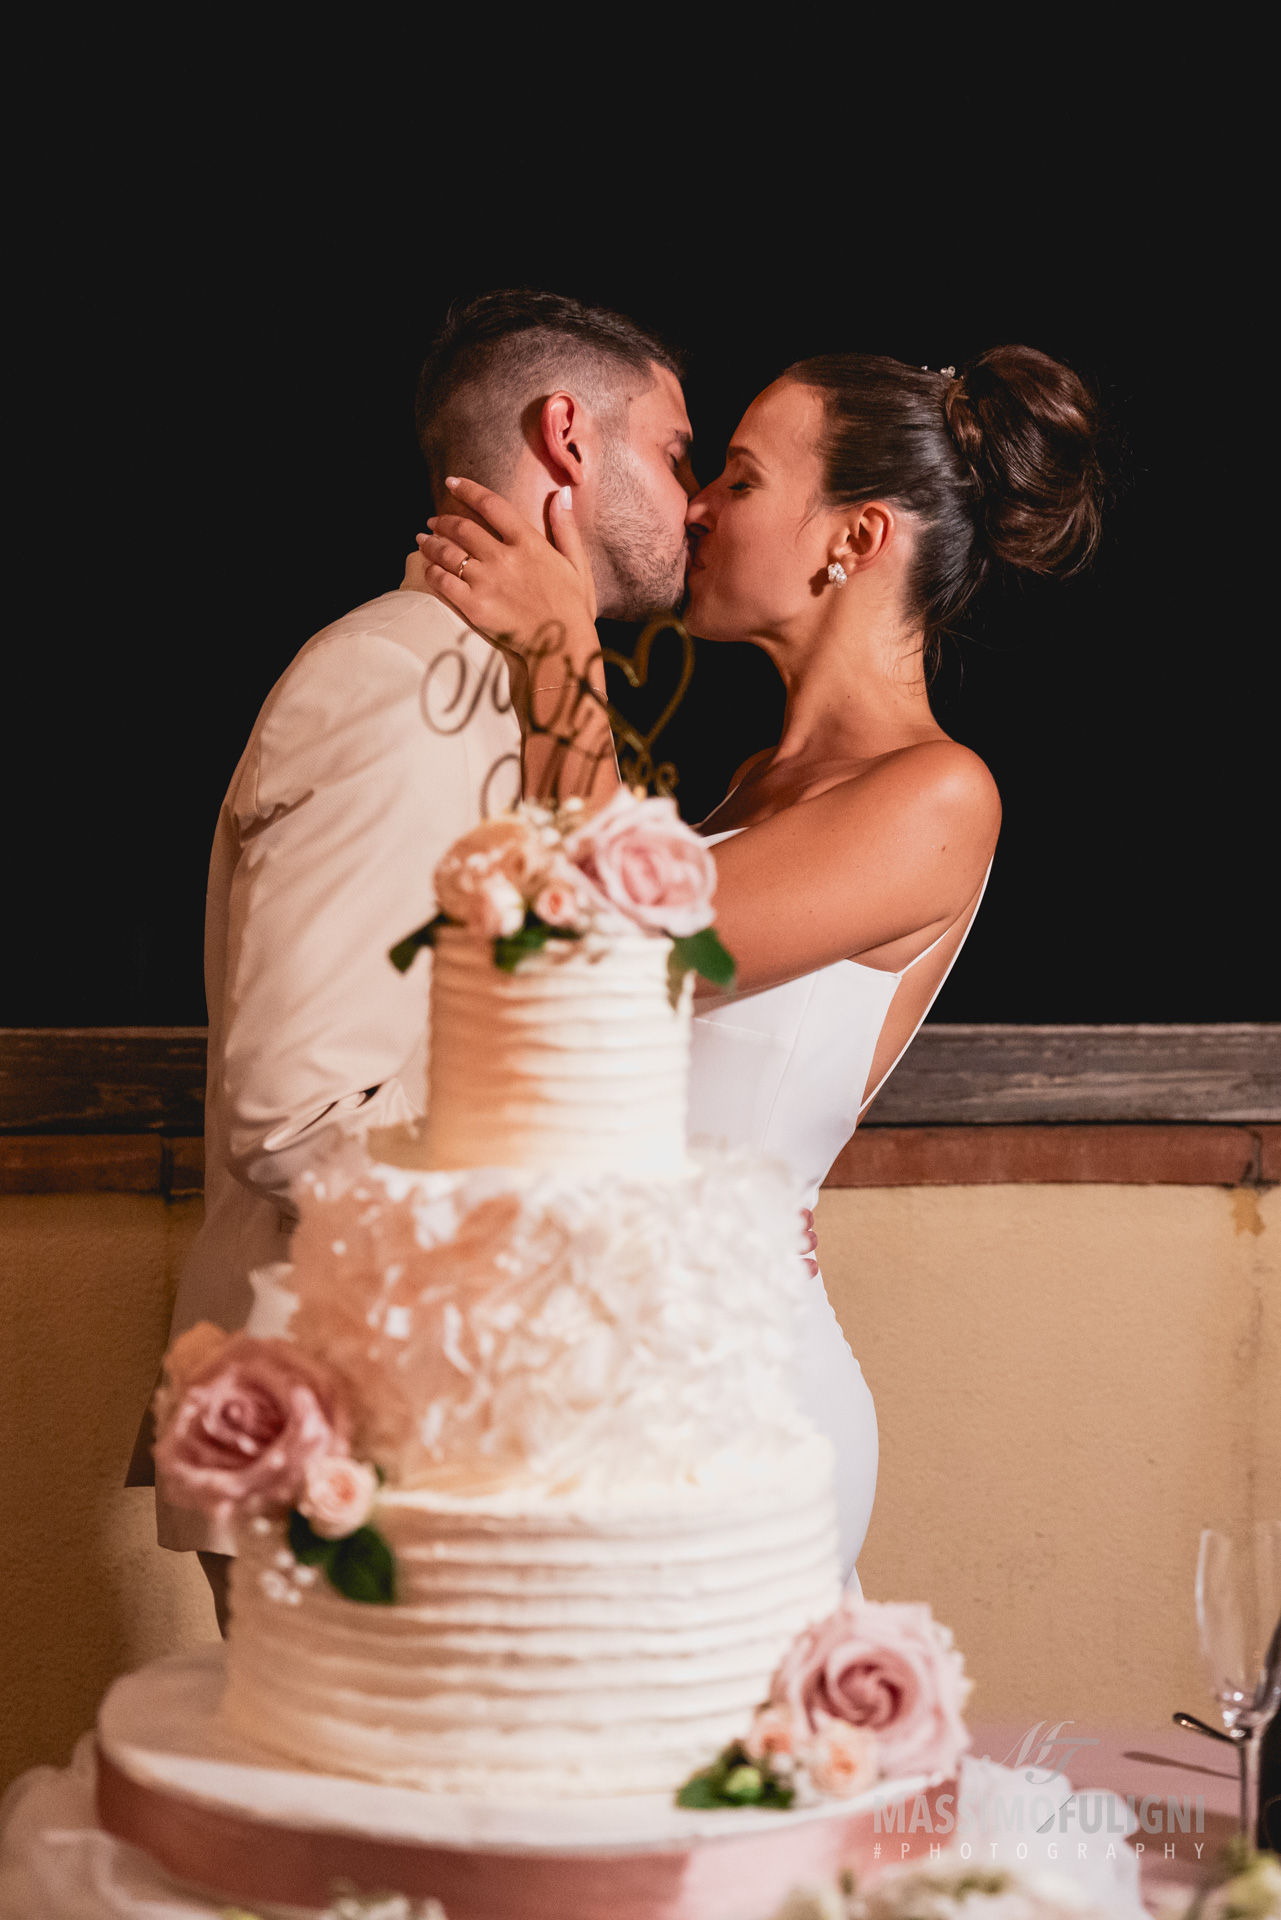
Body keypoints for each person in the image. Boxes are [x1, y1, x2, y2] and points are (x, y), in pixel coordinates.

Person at [410, 343, 1105, 1581]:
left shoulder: (939, 793)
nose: (695, 506)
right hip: (597, 1369)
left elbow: (619, 964)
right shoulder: (751, 790)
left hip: (737, 1397)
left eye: (737, 475)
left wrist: (561, 660)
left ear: (854, 539)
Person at [143, 290, 696, 1629]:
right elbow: (297, 1110)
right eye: (681, 456)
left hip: (432, 1422)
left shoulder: (501, 691)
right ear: (568, 439)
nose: (698, 504)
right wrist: (543, 1205)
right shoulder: (393, 682)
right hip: (348, 1430)